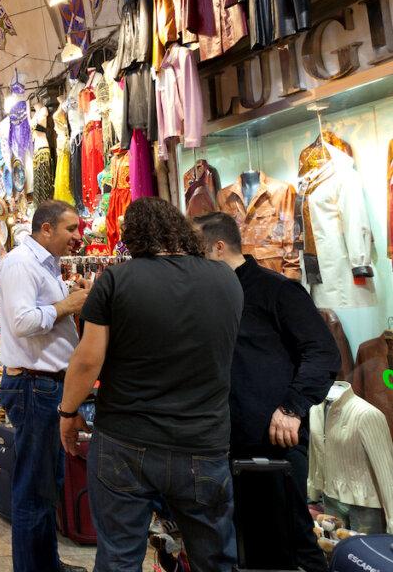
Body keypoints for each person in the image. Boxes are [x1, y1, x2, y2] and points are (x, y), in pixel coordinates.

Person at [59, 198, 243, 572]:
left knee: (119, 557)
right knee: (214, 559)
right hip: (202, 442)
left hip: (126, 441)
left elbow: (88, 358)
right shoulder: (225, 279)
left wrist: (67, 412)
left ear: (133, 236)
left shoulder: (116, 280)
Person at [199, 212, 338, 572]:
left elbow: (323, 353)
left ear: (217, 247)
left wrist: (292, 408)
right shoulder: (208, 297)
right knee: (242, 543)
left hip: (273, 440)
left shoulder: (277, 290)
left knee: (290, 539)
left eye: (194, 250)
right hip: (223, 439)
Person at [0, 200, 90, 572]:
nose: (77, 236)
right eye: (70, 229)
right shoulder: (21, 264)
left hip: (47, 385)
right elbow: (22, 322)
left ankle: (46, 562)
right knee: (33, 489)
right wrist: (67, 305)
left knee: (46, 483)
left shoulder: (44, 266)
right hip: (35, 387)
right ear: (46, 229)